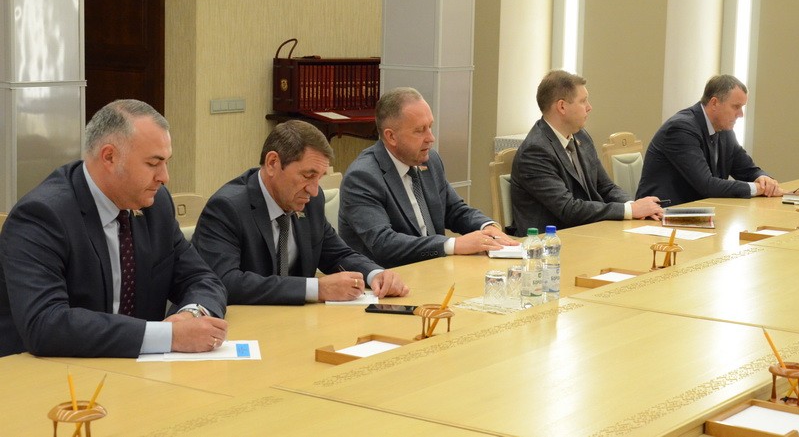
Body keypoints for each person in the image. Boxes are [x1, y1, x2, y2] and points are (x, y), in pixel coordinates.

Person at [0, 100, 228, 358]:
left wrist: (191, 315)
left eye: (166, 162)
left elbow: (203, 279)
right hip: (49, 372)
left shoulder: (156, 205)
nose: (164, 177)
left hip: (134, 369)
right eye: (153, 163)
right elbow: (46, 324)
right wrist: (169, 336)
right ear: (109, 157)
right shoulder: (42, 216)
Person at [192, 120, 409, 305]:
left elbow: (337, 255)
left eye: (319, 178)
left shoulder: (311, 201)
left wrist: (376, 274)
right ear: (273, 163)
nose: (314, 190)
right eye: (307, 176)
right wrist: (316, 289)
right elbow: (226, 282)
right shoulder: (227, 208)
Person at [338, 87, 518, 268]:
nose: (431, 138)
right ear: (391, 136)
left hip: (433, 269)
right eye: (419, 130)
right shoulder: (363, 177)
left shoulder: (430, 160)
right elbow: (384, 243)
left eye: (430, 127)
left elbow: (454, 210)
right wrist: (453, 244)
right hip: (388, 277)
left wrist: (486, 227)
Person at [510, 70, 664, 234]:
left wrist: (634, 206)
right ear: (562, 106)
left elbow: (606, 187)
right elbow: (568, 209)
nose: (589, 107)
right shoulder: (535, 151)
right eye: (583, 101)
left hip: (587, 231)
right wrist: (631, 210)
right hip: (551, 241)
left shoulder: (581, 136)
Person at [636, 74, 782, 205]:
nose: (741, 114)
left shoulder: (724, 129)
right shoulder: (681, 129)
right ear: (714, 103)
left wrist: (763, 179)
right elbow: (706, 185)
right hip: (662, 213)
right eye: (736, 107)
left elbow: (746, 169)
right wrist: (757, 189)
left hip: (700, 211)